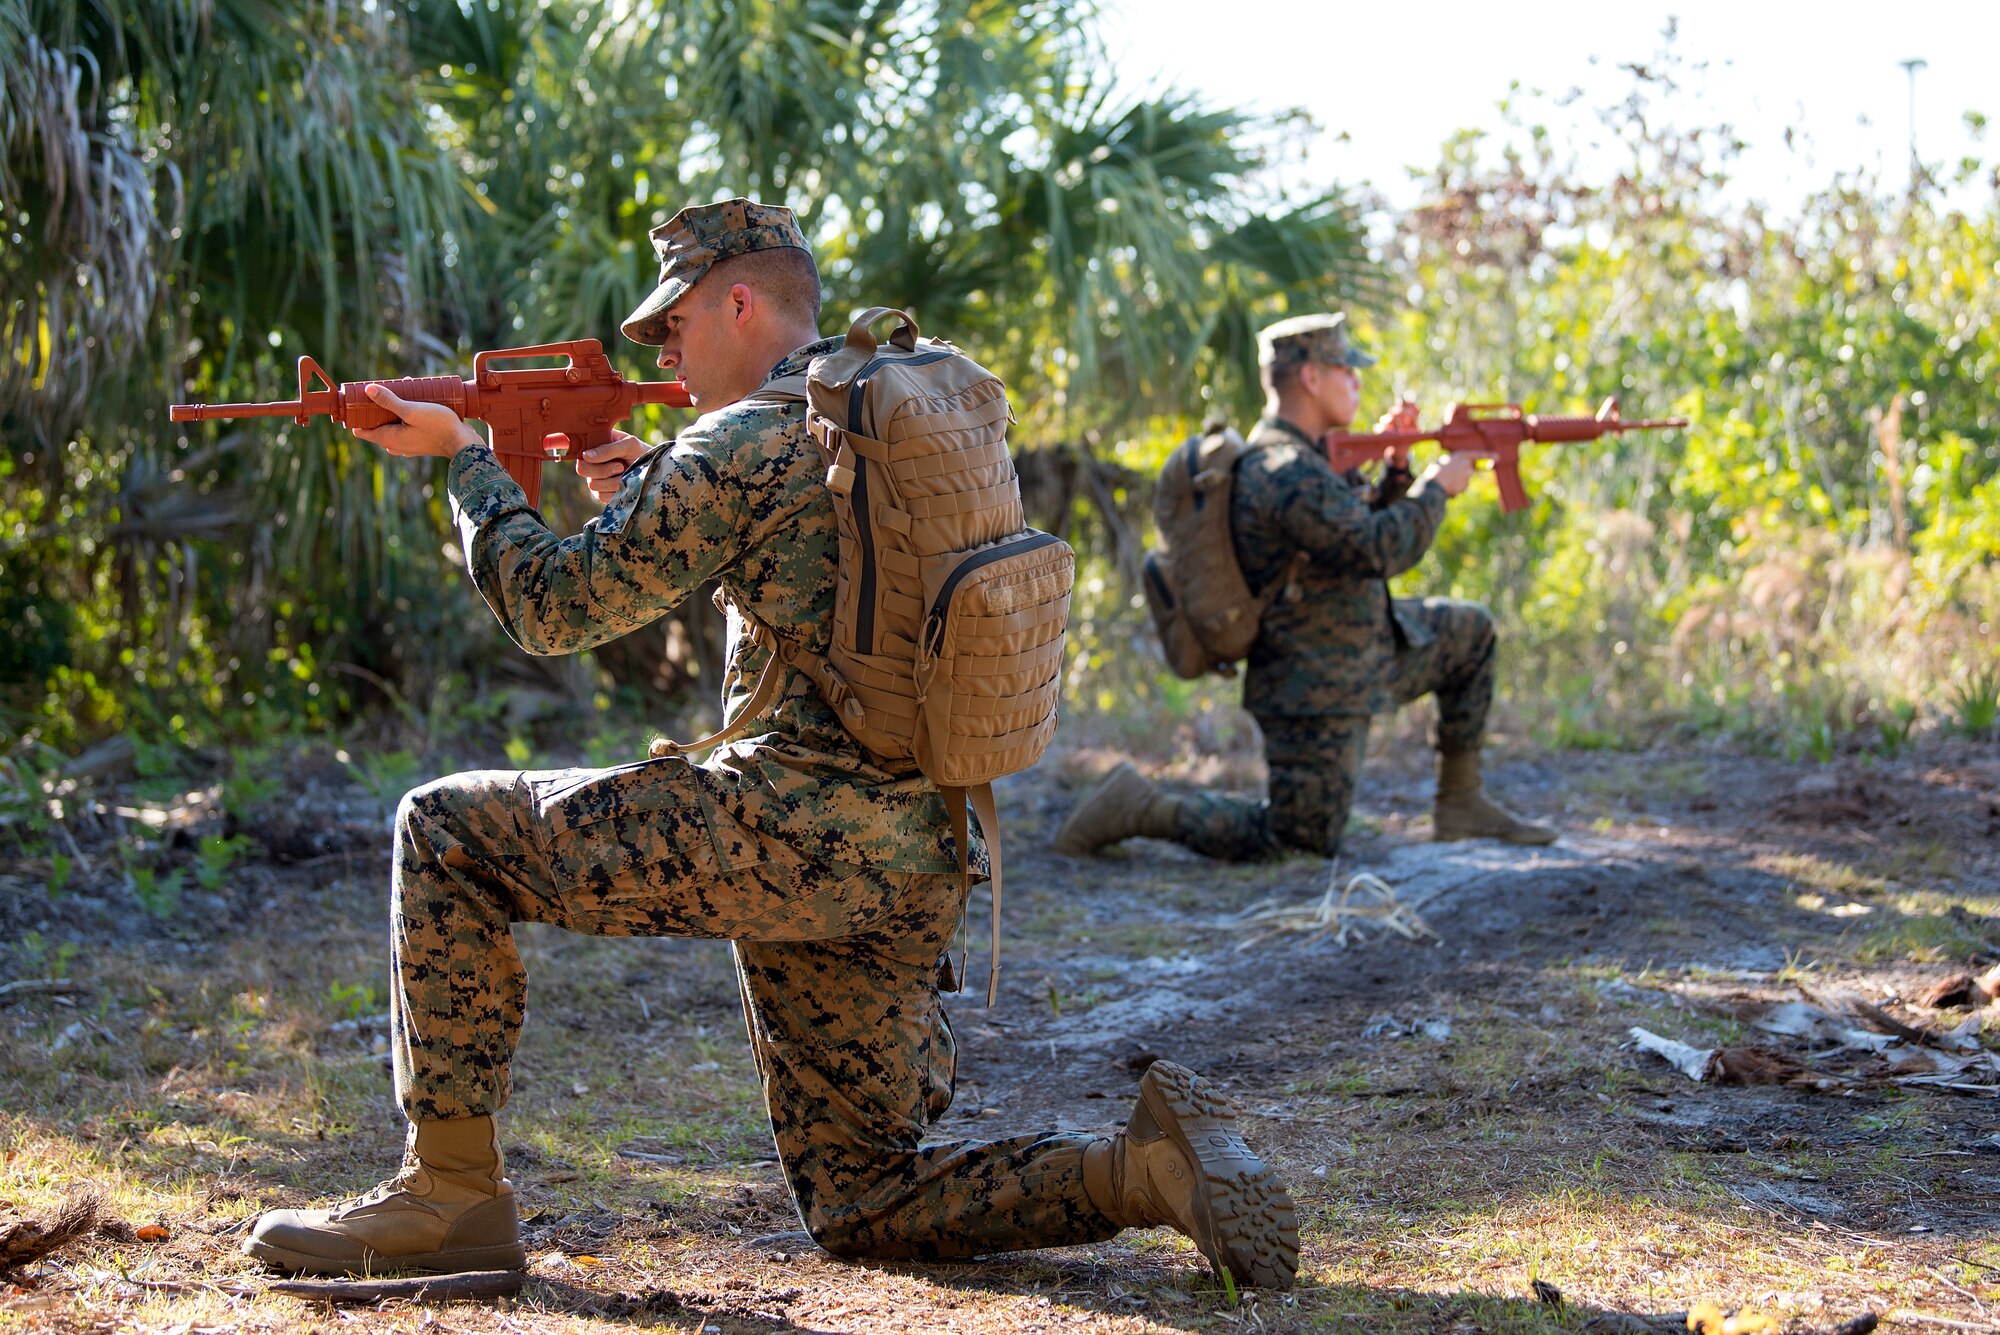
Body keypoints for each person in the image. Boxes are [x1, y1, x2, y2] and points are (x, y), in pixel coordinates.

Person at [239, 199, 1300, 1290]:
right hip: (919, 843)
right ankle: (1142, 1174)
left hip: (783, 831)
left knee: (445, 829)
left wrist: (466, 464)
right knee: (861, 1198)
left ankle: (449, 1200)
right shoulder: (887, 409)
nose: (669, 351)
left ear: (737, 302)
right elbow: (831, 578)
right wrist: (660, 482)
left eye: (678, 324)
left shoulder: (738, 443)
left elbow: (551, 610)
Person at [1055, 312, 1556, 861]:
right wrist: (1435, 491)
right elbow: (1374, 549)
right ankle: (1142, 807)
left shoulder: (1309, 461)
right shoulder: (1283, 468)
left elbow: (1343, 542)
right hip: (1310, 683)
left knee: (1471, 633)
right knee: (1299, 841)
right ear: (1311, 377)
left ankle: (1461, 802)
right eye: (1347, 370)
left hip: (1366, 651)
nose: (1359, 383)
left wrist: (1396, 473)